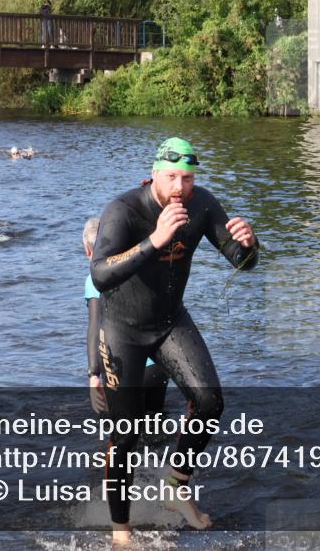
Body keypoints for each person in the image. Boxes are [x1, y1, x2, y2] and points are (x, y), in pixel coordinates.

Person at [90, 137, 259, 544]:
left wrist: (251, 246)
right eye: (172, 178)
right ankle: (120, 531)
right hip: (122, 332)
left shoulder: (202, 204)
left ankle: (175, 484)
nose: (180, 187)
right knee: (126, 436)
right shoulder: (124, 210)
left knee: (210, 400)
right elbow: (99, 275)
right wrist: (155, 240)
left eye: (187, 178)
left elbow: (241, 262)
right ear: (154, 175)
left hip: (169, 323)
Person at [82, 218, 169, 417]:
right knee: (156, 425)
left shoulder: (94, 279)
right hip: (159, 364)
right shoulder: (138, 266)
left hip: (126, 366)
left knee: (120, 431)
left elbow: (95, 327)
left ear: (88, 251)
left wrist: (94, 374)